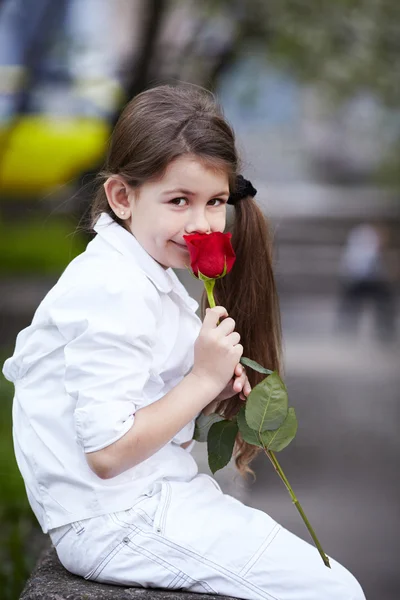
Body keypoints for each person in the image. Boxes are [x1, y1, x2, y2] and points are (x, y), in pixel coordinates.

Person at [2, 84, 366, 600]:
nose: (201, 224)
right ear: (122, 197)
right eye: (179, 201)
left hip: (151, 502)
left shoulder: (147, 275)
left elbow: (149, 407)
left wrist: (211, 386)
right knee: (335, 593)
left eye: (215, 202)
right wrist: (200, 380)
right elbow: (105, 453)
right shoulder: (111, 288)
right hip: (115, 521)